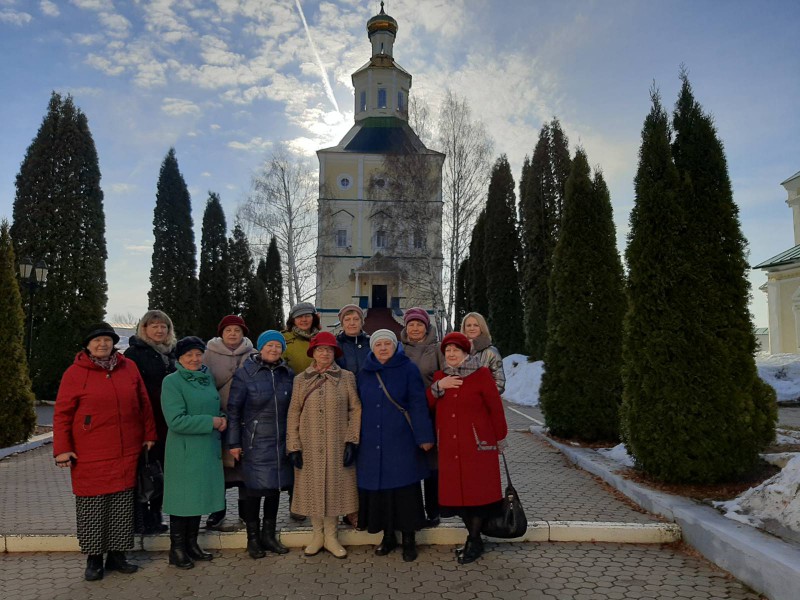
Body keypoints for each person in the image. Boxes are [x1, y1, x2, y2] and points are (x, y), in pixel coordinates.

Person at [54, 323, 157, 581]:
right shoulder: (75, 373)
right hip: (91, 451)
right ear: (88, 345)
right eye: (97, 341)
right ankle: (94, 559)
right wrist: (63, 450)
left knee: (122, 505)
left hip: (127, 449)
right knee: (93, 506)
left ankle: (117, 555)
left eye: (107, 340)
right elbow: (63, 414)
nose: (103, 344)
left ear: (113, 343)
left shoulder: (128, 367)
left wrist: (149, 434)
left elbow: (144, 403)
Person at [427, 332, 509, 565]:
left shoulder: (481, 375)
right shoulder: (441, 376)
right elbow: (428, 403)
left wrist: (500, 438)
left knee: (477, 496)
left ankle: (474, 540)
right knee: (458, 497)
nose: (451, 354)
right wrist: (438, 387)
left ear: (466, 353)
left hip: (478, 447)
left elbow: (495, 407)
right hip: (451, 448)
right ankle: (474, 539)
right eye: (448, 351)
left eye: (456, 350)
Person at [356, 329, 435, 562]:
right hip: (372, 441)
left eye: (387, 344)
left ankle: (409, 539)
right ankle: (388, 536)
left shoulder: (408, 368)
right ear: (372, 348)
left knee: (405, 491)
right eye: (378, 344)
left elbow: (418, 403)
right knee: (381, 492)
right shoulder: (365, 372)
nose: (382, 348)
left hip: (401, 439)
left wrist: (424, 437)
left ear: (394, 346)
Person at [286, 331, 361, 559]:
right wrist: (293, 444)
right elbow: (293, 412)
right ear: (313, 353)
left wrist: (352, 440)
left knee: (334, 489)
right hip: (309, 444)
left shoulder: (346, 377)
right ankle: (317, 535)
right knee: (313, 489)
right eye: (320, 349)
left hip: (337, 442)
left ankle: (332, 536)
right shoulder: (301, 379)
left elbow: (355, 408)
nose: (324, 353)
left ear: (334, 353)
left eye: (329, 350)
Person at [227, 330, 294, 559]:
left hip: (281, 440)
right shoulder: (246, 373)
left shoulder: (288, 374)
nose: (274, 350)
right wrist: (234, 442)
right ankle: (253, 539)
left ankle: (269, 535)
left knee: (274, 489)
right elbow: (234, 410)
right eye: (269, 346)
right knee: (254, 491)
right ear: (260, 348)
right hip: (254, 441)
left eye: (278, 346)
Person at [161, 337, 226, 570]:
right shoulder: (172, 382)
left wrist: (222, 418)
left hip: (206, 448)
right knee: (182, 501)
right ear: (179, 358)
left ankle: (191, 544)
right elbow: (176, 420)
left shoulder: (206, 378)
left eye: (198, 354)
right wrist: (212, 421)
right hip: (184, 451)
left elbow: (214, 407)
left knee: (196, 498)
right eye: (188, 355)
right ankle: (176, 550)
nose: (194, 359)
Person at [124, 309, 177, 534]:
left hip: (169, 422)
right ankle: (139, 516)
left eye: (163, 326)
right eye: (154, 325)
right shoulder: (134, 354)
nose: (159, 330)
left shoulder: (174, 353)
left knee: (162, 470)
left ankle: (156, 513)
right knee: (144, 469)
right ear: (144, 329)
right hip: (146, 420)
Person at [202, 315, 254, 532]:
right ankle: (218, 510)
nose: (233, 334)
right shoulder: (208, 354)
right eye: (228, 330)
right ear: (221, 333)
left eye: (237, 330)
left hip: (246, 418)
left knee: (244, 465)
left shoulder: (253, 354)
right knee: (219, 466)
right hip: (220, 417)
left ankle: (245, 511)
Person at [400, 307, 443, 528]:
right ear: (405, 327)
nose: (415, 328)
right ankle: (414, 511)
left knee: (433, 463)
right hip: (407, 414)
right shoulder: (399, 350)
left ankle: (434, 509)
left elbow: (445, 375)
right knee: (412, 462)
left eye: (419, 324)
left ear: (426, 327)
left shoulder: (436, 349)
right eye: (411, 324)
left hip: (432, 410)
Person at [461, 312, 506, 394]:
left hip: (483, 403)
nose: (472, 328)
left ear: (482, 327)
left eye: (476, 325)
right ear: (464, 328)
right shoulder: (457, 350)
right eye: (468, 325)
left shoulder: (491, 352)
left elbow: (500, 383)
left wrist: (482, 396)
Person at [281, 301, 321, 374]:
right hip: (295, 384)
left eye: (307, 316)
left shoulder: (323, 339)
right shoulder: (283, 339)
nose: (304, 320)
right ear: (293, 320)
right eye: (299, 316)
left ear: (313, 318)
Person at [335, 304, 370, 374]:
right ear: (342, 324)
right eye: (347, 319)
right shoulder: (335, 345)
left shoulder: (371, 343)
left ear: (361, 322)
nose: (352, 323)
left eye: (356, 319)